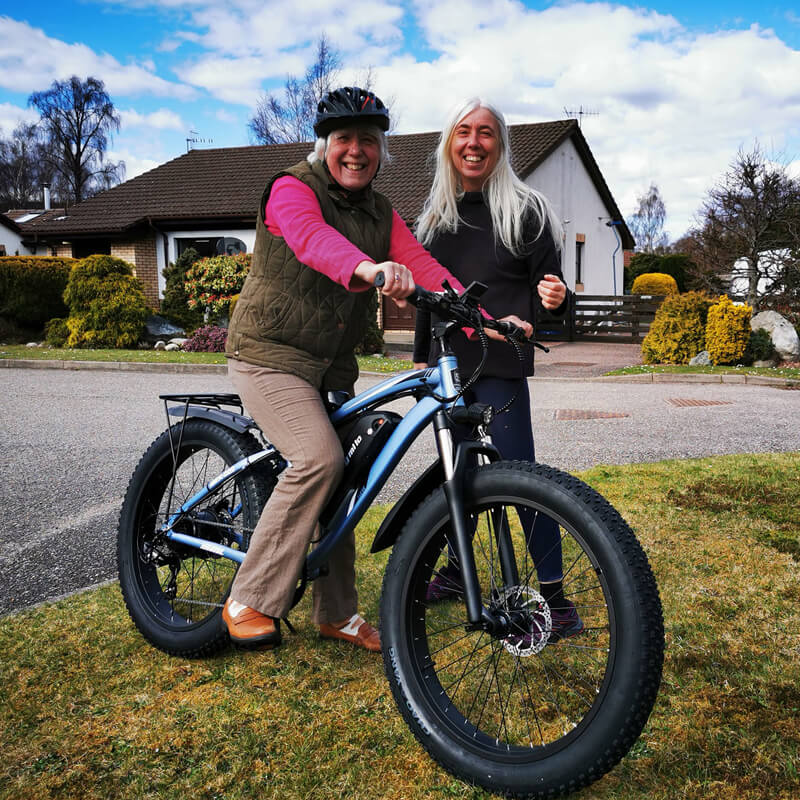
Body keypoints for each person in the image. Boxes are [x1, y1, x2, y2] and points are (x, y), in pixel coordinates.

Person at [222, 87, 524, 652]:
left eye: (368, 140)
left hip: (328, 367)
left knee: (346, 475)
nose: (356, 151)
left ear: (382, 150)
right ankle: (251, 596)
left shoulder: (381, 212)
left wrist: (484, 319)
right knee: (319, 458)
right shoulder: (291, 189)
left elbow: (425, 266)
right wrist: (368, 268)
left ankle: (336, 614)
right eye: (344, 140)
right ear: (325, 145)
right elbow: (314, 241)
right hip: (268, 355)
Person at [412, 98, 584, 640]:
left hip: (500, 363)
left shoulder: (525, 210)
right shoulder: (435, 216)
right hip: (447, 368)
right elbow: (426, 295)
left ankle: (555, 602)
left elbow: (551, 294)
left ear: (500, 145)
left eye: (486, 133)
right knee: (455, 476)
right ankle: (460, 572)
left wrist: (554, 303)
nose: (473, 142)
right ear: (448, 143)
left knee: (519, 476)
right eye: (463, 131)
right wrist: (421, 358)